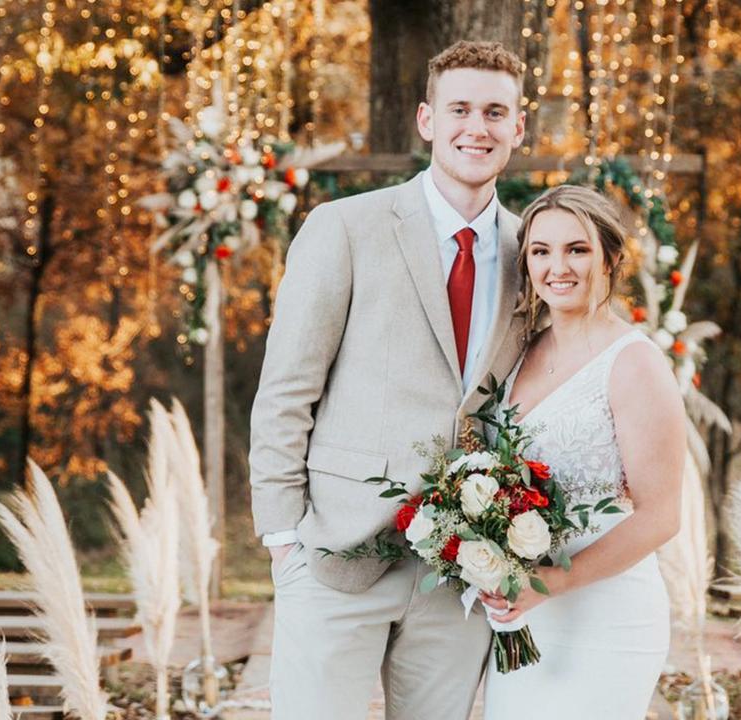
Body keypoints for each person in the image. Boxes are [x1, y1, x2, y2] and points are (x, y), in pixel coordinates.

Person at [247, 40, 527, 719]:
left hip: (459, 571)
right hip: (339, 553)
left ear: (519, 128)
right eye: (460, 109)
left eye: (496, 112)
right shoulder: (345, 227)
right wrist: (284, 540)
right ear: (427, 120)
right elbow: (286, 390)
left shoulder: (532, 251)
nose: (477, 128)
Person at [481, 185, 688, 718]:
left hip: (606, 617)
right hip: (524, 617)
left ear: (610, 257)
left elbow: (661, 516)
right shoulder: (518, 350)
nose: (558, 267)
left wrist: (554, 581)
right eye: (541, 251)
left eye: (577, 249)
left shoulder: (634, 362)